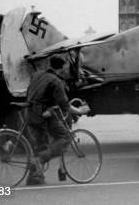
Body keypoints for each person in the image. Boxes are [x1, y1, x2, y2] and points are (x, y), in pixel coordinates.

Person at [25, 55, 84, 185]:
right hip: (42, 115)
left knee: (40, 144)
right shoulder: (56, 81)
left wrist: (50, 107)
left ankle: (35, 177)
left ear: (49, 64)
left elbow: (32, 93)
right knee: (65, 137)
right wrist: (79, 111)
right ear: (62, 68)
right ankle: (41, 159)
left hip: (29, 112)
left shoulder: (36, 75)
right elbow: (65, 105)